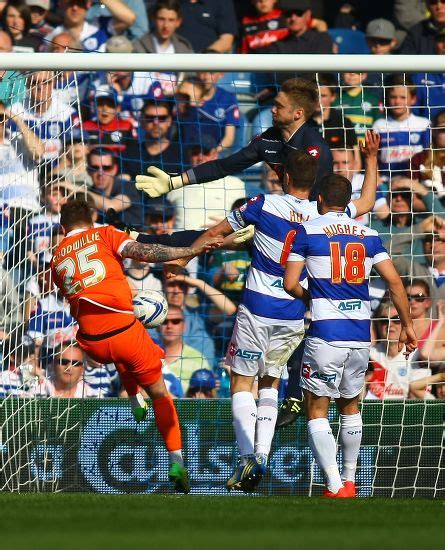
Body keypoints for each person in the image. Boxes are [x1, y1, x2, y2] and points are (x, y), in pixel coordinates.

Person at [172, 131, 379, 492]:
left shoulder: (261, 204)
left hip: (257, 305)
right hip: (296, 310)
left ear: (282, 176)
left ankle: (247, 458)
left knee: (241, 381)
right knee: (271, 380)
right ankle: (264, 455)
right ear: (312, 182)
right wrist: (372, 159)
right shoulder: (324, 212)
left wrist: (186, 255)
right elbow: (366, 201)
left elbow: (216, 232)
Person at [50, 199, 222, 492]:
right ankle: (177, 460)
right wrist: (189, 251)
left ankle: (132, 397)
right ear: (91, 221)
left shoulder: (56, 258)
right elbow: (144, 251)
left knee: (117, 345)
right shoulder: (104, 234)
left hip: (91, 345)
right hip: (124, 332)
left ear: (63, 227)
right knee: (160, 395)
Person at [283, 175, 417, 498]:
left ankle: (332, 486)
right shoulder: (369, 235)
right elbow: (396, 284)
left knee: (317, 408)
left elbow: (289, 284)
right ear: (348, 203)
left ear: (318, 200)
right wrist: (408, 326)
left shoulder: (307, 231)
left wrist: (310, 297)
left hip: (326, 333)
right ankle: (351, 480)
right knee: (350, 406)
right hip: (360, 335)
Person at [135, 78, 333, 200]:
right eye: (274, 104)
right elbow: (224, 166)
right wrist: (175, 182)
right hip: (286, 212)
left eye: (279, 106)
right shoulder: (268, 140)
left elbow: (314, 198)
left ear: (298, 113)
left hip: (313, 222)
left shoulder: (314, 147)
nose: (272, 109)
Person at [373, 74, 430, 179]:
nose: (397, 101)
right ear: (387, 98)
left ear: (413, 99)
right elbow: (373, 158)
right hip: (387, 181)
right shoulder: (379, 125)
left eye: (403, 97)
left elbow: (429, 157)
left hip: (416, 181)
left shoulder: (424, 125)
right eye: (393, 97)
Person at [158, 304, 210, 391]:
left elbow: (205, 398)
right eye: (164, 321)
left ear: (184, 326)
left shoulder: (198, 359)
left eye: (176, 321)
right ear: (157, 326)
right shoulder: (147, 356)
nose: (169, 326)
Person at [34, 342, 100, 398]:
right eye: (63, 362)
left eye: (75, 363)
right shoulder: (34, 395)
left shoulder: (95, 397)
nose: (69, 367)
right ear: (53, 365)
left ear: (83, 368)